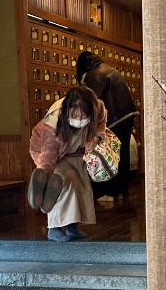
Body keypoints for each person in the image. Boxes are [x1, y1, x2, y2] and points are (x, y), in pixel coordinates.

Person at [28, 86, 107, 241]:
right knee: (63, 182)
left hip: (75, 153)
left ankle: (72, 226)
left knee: (81, 185)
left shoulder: (97, 107)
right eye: (74, 115)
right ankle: (54, 228)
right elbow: (48, 156)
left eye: (83, 115)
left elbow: (101, 121)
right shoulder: (53, 124)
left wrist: (96, 138)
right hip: (50, 153)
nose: (79, 120)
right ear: (67, 110)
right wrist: (45, 174)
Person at [75, 50, 138, 201]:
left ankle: (109, 192)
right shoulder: (107, 68)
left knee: (108, 154)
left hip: (115, 118)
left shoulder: (94, 75)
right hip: (128, 115)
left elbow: (92, 103)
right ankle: (120, 191)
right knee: (121, 153)